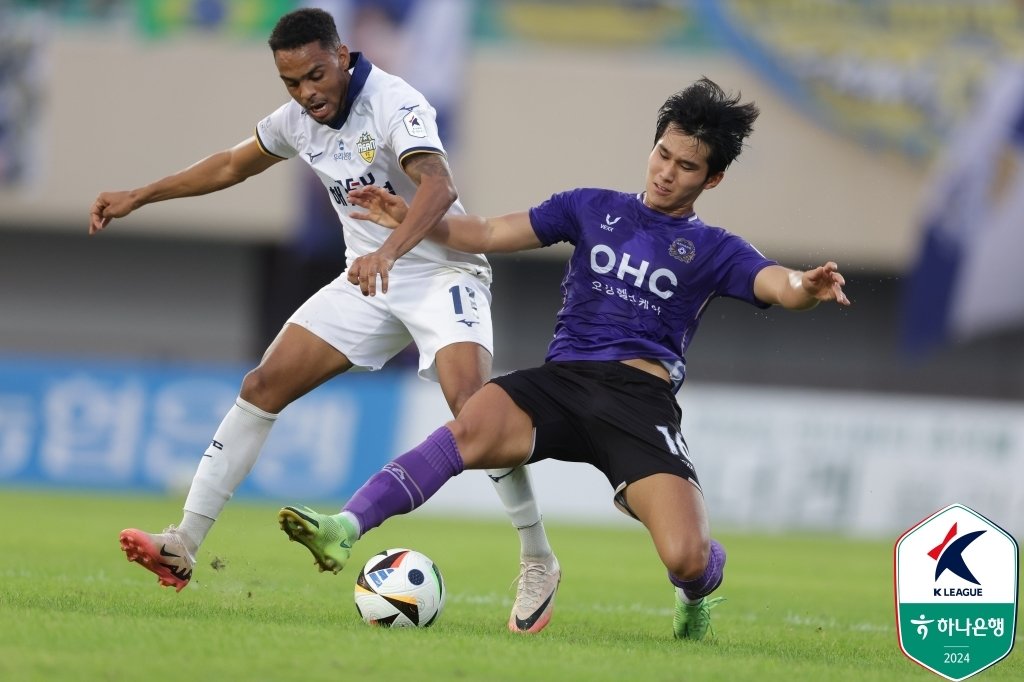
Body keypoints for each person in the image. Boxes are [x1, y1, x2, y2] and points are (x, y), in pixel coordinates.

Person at [279, 77, 851, 639]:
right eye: (662, 153)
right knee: (469, 425)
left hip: (637, 403)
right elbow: (486, 230)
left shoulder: (716, 248)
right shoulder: (589, 207)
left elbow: (778, 284)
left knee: (685, 558)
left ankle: (699, 584)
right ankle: (344, 525)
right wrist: (407, 216)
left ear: (714, 178)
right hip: (562, 382)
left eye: (686, 166)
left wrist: (807, 284)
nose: (665, 172)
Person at [87, 8, 560, 633]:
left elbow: (439, 187)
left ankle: (537, 558)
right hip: (366, 282)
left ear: (342, 53)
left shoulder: (395, 101)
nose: (306, 93)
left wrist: (389, 250)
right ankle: (183, 543)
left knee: (475, 412)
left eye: (315, 74)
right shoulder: (296, 122)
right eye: (290, 82)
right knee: (262, 386)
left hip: (442, 271)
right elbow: (230, 165)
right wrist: (139, 195)